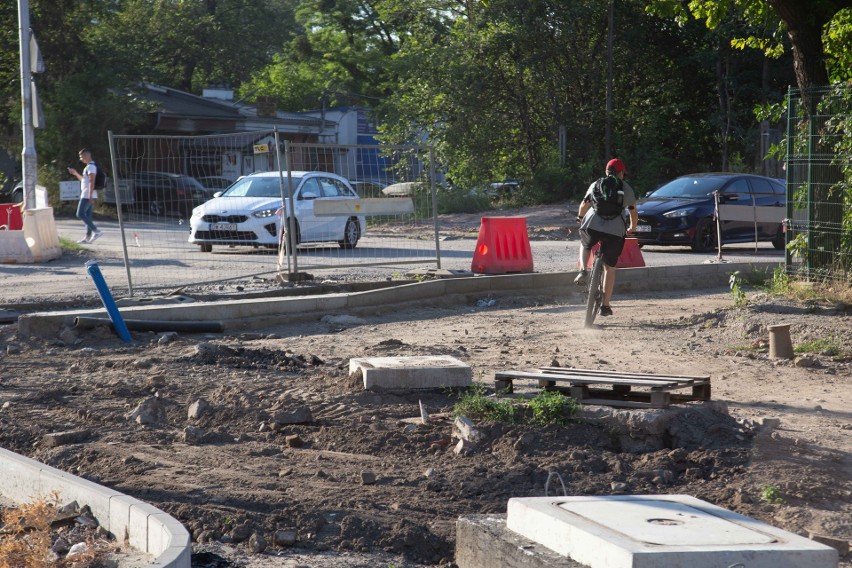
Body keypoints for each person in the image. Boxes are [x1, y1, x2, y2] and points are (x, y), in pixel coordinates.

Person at [573, 158, 638, 317]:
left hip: (593, 224)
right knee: (610, 268)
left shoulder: (596, 184)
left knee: (585, 243)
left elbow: (584, 205)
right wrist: (632, 228)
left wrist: (580, 218)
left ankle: (583, 270)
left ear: (606, 171)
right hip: (615, 231)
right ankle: (605, 305)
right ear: (621, 173)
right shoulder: (626, 188)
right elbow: (633, 212)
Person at [67, 148, 103, 244]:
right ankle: (87, 237)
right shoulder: (88, 167)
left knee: (80, 214)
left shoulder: (91, 167)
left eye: (81, 156)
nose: (80, 158)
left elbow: (92, 181)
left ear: (87, 156)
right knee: (88, 215)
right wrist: (75, 173)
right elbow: (85, 180)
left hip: (87, 195)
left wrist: (90, 195)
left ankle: (96, 231)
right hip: (88, 194)